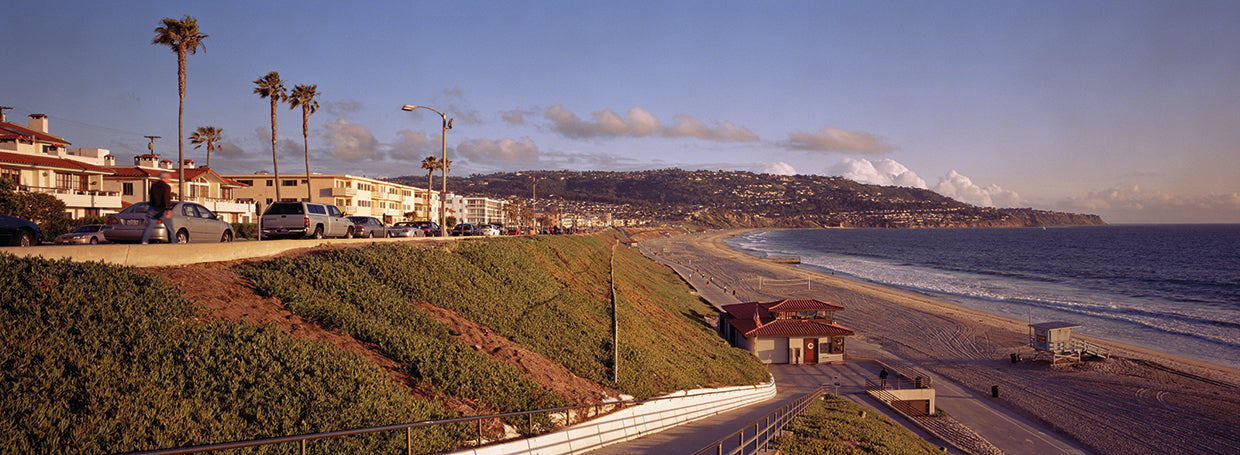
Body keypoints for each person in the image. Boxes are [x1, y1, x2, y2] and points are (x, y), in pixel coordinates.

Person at [141, 171, 172, 244]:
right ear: (166, 178)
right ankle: (173, 243)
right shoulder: (166, 187)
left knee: (149, 227)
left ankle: (144, 241)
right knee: (170, 228)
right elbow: (166, 198)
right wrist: (168, 210)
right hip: (162, 209)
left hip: (152, 208)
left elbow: (151, 196)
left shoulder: (154, 185)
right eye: (169, 178)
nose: (169, 180)